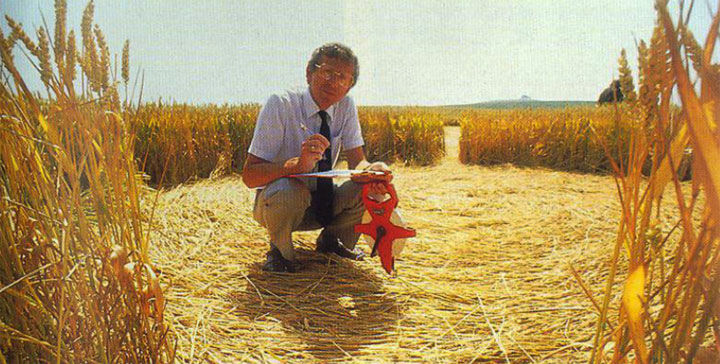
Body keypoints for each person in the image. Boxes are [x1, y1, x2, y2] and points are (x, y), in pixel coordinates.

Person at [242, 43, 391, 273]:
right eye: (327, 72)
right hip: (280, 205)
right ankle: (280, 253)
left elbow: (358, 162)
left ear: (349, 87)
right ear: (309, 73)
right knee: (288, 189)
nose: (333, 82)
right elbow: (250, 176)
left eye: (342, 77)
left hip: (324, 203)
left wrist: (373, 170)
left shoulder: (346, 106)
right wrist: (296, 165)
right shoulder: (280, 104)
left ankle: (333, 242)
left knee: (368, 187)